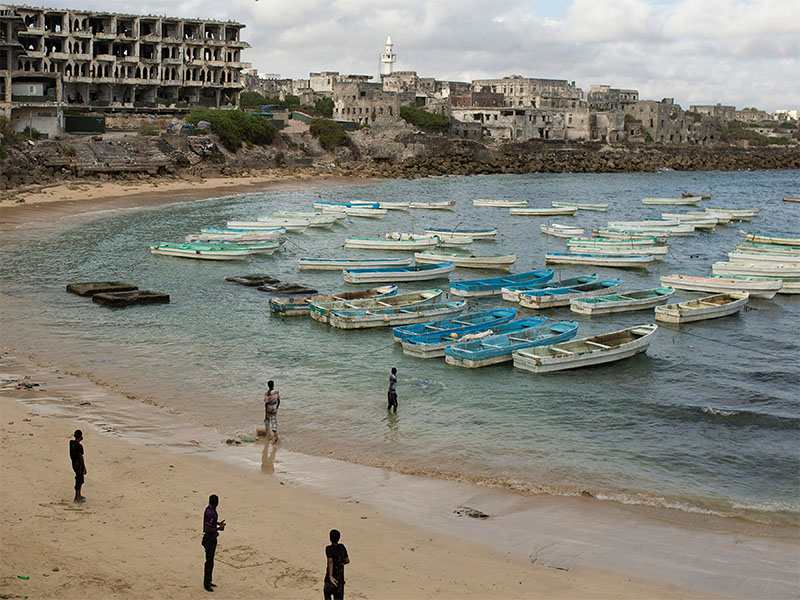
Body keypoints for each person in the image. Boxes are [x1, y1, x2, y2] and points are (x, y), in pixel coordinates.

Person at [202, 494, 226, 592]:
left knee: (210, 561)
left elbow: (210, 524)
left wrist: (218, 523)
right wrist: (218, 528)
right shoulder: (210, 513)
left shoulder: (209, 510)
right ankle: (206, 583)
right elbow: (207, 528)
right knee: (209, 562)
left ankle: (208, 580)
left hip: (210, 539)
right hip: (209, 540)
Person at [323, 529, 349, 600]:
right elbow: (347, 560)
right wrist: (340, 562)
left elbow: (330, 561)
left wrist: (330, 576)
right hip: (340, 578)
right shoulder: (342, 547)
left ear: (330, 538)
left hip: (331, 577)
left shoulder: (328, 548)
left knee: (327, 593)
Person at [69, 429, 86, 503]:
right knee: (79, 480)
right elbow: (81, 457)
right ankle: (77, 497)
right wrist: (84, 467)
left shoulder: (71, 443)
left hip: (74, 463)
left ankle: (79, 495)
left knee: (78, 478)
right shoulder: (79, 446)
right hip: (79, 464)